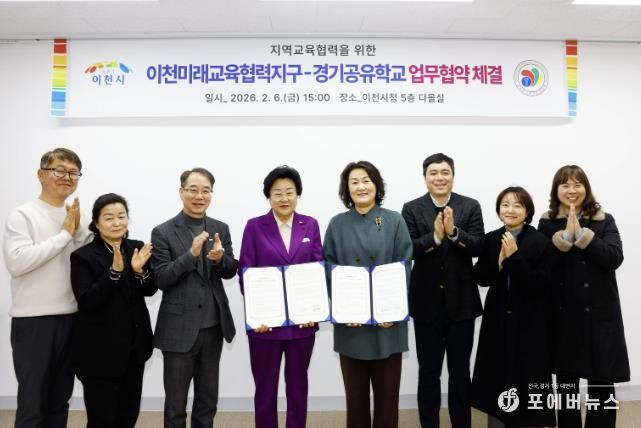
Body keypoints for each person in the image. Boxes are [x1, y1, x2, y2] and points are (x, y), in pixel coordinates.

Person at [2, 147, 91, 428]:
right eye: (59, 170)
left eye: (74, 172)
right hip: (34, 322)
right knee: (33, 405)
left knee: (59, 403)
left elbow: (89, 260)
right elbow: (17, 262)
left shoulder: (76, 216)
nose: (67, 177)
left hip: (71, 319)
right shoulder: (23, 214)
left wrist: (77, 231)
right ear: (41, 175)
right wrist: (65, 234)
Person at [538, 165, 629, 428]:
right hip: (564, 316)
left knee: (602, 382)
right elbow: (543, 264)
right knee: (566, 385)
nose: (572, 190)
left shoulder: (604, 220)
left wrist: (583, 235)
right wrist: (565, 238)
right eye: (565, 185)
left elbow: (614, 257)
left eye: (577, 184)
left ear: (586, 189)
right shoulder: (547, 223)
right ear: (556, 190)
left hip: (600, 314)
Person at [323, 160, 412, 428]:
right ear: (346, 189)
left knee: (387, 401)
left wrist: (392, 310)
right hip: (352, 325)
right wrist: (344, 309)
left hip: (388, 324)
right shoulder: (337, 224)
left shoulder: (394, 220)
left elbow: (404, 266)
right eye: (354, 182)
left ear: (376, 185)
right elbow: (328, 267)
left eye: (366, 180)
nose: (361, 186)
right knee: (356, 400)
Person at [401, 153, 484, 428]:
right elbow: (408, 249)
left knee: (460, 373)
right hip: (426, 304)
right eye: (433, 173)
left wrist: (454, 233)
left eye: (445, 172)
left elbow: (479, 246)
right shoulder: (411, 209)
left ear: (453, 176)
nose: (439, 177)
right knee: (429, 373)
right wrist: (435, 237)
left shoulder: (470, 206)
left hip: (462, 304)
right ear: (425, 178)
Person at [151, 167, 237, 428]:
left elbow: (231, 270)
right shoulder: (162, 232)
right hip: (178, 329)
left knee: (207, 401)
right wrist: (190, 255)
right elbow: (162, 278)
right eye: (193, 190)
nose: (200, 196)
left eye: (206, 191)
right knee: (176, 406)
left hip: (213, 327)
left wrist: (220, 259)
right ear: (181, 192)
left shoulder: (220, 228)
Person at [238, 166, 323, 428]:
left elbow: (318, 271)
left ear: (298, 195)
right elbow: (245, 273)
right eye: (277, 193)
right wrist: (258, 315)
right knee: (265, 389)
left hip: (302, 325)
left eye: (290, 192)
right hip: (265, 326)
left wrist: (313, 311)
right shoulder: (254, 226)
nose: (284, 198)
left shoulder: (310, 224)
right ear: (268, 196)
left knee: (298, 388)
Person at [471, 186, 555, 428]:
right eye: (505, 204)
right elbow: (480, 277)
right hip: (497, 319)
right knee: (496, 377)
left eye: (518, 205)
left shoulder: (540, 241)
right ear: (499, 209)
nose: (510, 210)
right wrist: (498, 264)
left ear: (527, 212)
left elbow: (542, 282)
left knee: (526, 377)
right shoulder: (491, 238)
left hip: (529, 321)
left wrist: (515, 258)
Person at [70, 193, 156, 428]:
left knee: (128, 416)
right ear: (96, 224)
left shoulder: (136, 248)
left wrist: (140, 271)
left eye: (121, 216)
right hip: (99, 355)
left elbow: (150, 289)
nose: (117, 222)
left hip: (135, 350)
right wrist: (114, 273)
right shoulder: (82, 257)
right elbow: (87, 301)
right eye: (109, 218)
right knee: (102, 419)